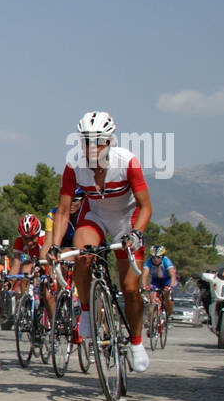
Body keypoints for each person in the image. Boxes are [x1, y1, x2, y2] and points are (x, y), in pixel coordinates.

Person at [47, 110, 153, 372]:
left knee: (130, 289)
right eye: (86, 141)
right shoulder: (74, 166)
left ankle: (137, 342)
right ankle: (85, 311)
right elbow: (63, 211)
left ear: (110, 141)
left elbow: (146, 206)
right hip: (95, 215)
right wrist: (55, 245)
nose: (92, 147)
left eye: (99, 141)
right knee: (82, 255)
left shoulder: (127, 162)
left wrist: (136, 233)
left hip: (127, 220)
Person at [142, 244, 178, 322]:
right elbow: (145, 275)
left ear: (162, 256)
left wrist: (170, 287)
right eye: (153, 257)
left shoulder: (166, 261)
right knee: (152, 299)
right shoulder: (148, 262)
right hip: (156, 280)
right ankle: (150, 322)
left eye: (158, 257)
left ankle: (168, 314)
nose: (155, 259)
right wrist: (145, 286)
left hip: (167, 280)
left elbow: (172, 275)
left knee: (166, 295)